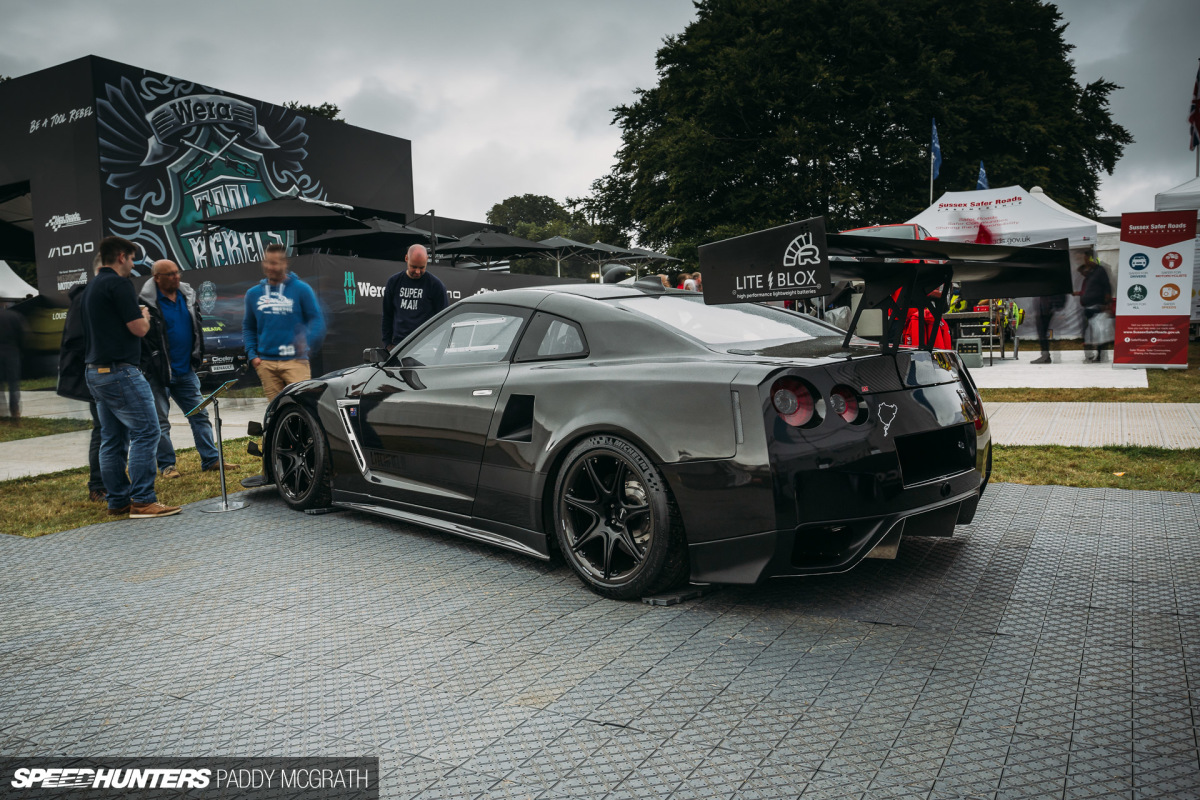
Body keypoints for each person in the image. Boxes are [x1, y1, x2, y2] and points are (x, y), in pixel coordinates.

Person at [82, 236, 181, 519]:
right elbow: (138, 329)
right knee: (148, 430)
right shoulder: (119, 284)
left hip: (95, 372)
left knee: (112, 438)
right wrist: (145, 317)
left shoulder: (92, 287)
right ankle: (143, 500)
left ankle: (118, 501)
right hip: (120, 371)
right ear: (122, 256)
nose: (134, 264)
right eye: (133, 258)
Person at [139, 260, 223, 478]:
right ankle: (167, 466)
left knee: (200, 415)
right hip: (158, 374)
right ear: (157, 277)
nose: (176, 277)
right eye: (170, 274)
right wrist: (151, 364)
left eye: (177, 273)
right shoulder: (144, 302)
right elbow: (142, 340)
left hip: (185, 370)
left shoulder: (188, 296)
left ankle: (211, 460)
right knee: (160, 423)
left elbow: (196, 329)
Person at [243, 244, 326, 400]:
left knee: (303, 409)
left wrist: (307, 342)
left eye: (274, 263)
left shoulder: (301, 289)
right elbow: (248, 327)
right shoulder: (253, 294)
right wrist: (252, 355)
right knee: (275, 415)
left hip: (295, 363)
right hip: (266, 364)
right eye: (266, 262)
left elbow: (317, 320)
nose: (269, 267)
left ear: (284, 263)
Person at [57, 274, 105, 502]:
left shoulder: (97, 296)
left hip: (109, 374)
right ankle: (97, 485)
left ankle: (109, 483)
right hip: (97, 376)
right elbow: (75, 342)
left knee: (112, 432)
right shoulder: (85, 298)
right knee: (103, 430)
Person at [381, 244, 448, 348]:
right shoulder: (393, 282)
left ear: (427, 259)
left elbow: (444, 320)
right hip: (399, 345)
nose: (417, 272)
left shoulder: (436, 286)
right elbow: (387, 315)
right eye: (414, 267)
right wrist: (387, 344)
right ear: (406, 258)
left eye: (422, 267)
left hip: (426, 346)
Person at [1076, 257, 1112, 363]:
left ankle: (1100, 355)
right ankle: (1091, 355)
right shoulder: (1089, 279)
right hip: (1088, 308)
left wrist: (1106, 304)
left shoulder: (1099, 273)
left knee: (1098, 332)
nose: (1082, 274)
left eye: (1083, 272)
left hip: (1096, 308)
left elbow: (1106, 288)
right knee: (1090, 333)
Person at [0, 301, 25, 421]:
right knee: (13, 385)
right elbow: (22, 335)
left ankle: (2, 412)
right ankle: (15, 411)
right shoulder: (14, 316)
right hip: (12, 352)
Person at [1030, 293, 1067, 364]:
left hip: (1048, 310)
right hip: (1044, 309)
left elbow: (1061, 294)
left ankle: (1051, 356)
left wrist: (1056, 307)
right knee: (1043, 333)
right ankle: (1046, 355)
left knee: (1052, 333)